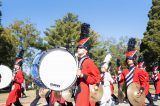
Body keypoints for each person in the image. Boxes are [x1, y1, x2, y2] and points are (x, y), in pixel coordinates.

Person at [75, 23, 101, 106]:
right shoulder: (77, 61)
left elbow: (96, 79)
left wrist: (83, 75)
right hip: (76, 89)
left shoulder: (88, 61)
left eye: (81, 47)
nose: (78, 49)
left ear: (86, 50)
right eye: (78, 47)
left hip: (84, 91)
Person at [118, 38, 147, 106]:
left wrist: (141, 90)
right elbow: (121, 81)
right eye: (127, 59)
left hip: (138, 92)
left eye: (130, 59)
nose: (128, 60)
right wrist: (121, 90)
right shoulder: (124, 71)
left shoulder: (139, 70)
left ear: (133, 60)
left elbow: (143, 82)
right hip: (129, 93)